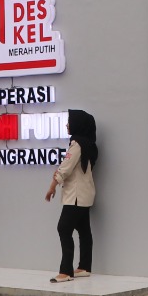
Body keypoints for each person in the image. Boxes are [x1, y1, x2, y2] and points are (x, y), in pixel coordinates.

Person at [45, 109, 97, 283]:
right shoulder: (89, 144)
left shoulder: (76, 144)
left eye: (70, 121)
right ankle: (84, 267)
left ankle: (66, 271)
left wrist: (52, 187)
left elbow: (65, 168)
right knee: (84, 230)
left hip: (75, 195)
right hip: (86, 194)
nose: (67, 125)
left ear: (78, 124)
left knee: (63, 228)